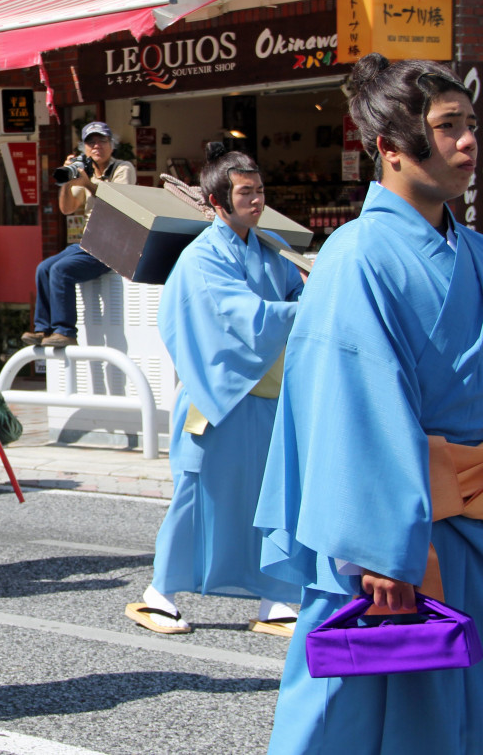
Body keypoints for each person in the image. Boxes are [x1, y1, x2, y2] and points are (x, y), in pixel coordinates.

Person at [255, 56, 483, 753]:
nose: (468, 142)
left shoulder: (471, 249)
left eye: (472, 125)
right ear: (387, 146)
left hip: (468, 527)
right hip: (395, 536)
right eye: (447, 128)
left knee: (454, 715)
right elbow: (349, 405)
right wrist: (380, 545)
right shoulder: (357, 258)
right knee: (356, 717)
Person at [124, 145, 304, 637]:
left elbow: (293, 294)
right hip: (216, 395)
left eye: (260, 190)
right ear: (216, 200)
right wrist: (303, 310)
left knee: (269, 496)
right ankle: (159, 593)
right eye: (245, 192)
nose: (256, 201)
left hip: (265, 395)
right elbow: (242, 315)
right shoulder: (201, 257)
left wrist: (313, 289)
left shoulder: (268, 250)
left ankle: (276, 597)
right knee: (196, 492)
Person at [22, 121, 133, 348]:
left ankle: (65, 331)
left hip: (112, 245)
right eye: (90, 142)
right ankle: (43, 328)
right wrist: (66, 181)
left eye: (101, 140)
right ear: (84, 147)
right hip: (89, 242)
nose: (96, 146)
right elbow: (67, 208)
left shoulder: (123, 168)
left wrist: (88, 184)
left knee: (62, 270)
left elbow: (121, 201)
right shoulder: (85, 172)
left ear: (112, 144)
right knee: (43, 268)